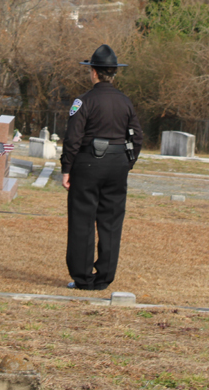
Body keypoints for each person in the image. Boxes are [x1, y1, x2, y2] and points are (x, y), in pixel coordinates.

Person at [62, 44, 142, 291]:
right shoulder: (126, 102)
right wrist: (127, 162)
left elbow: (73, 138)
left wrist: (66, 168)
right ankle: (104, 276)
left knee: (82, 220)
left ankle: (83, 278)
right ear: (114, 73)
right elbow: (137, 137)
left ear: (94, 72)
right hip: (118, 164)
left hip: (87, 164)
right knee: (111, 221)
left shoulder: (83, 101)